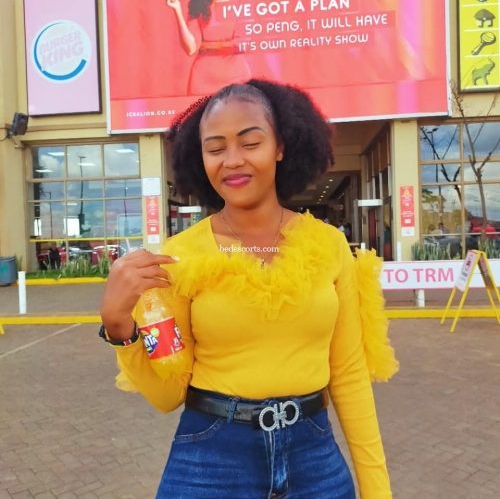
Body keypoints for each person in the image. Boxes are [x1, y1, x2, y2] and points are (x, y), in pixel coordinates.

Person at [99, 79, 397, 498]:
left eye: (250, 142)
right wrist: (119, 327)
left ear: (280, 147)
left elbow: (348, 376)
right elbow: (168, 393)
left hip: (314, 460)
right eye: (215, 148)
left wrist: (377, 488)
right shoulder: (179, 257)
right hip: (211, 460)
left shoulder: (329, 246)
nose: (233, 160)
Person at [166, 0, 251, 94]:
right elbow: (191, 49)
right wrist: (177, 10)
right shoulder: (199, 4)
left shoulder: (240, 3)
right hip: (204, 79)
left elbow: (245, 38)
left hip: (235, 75)